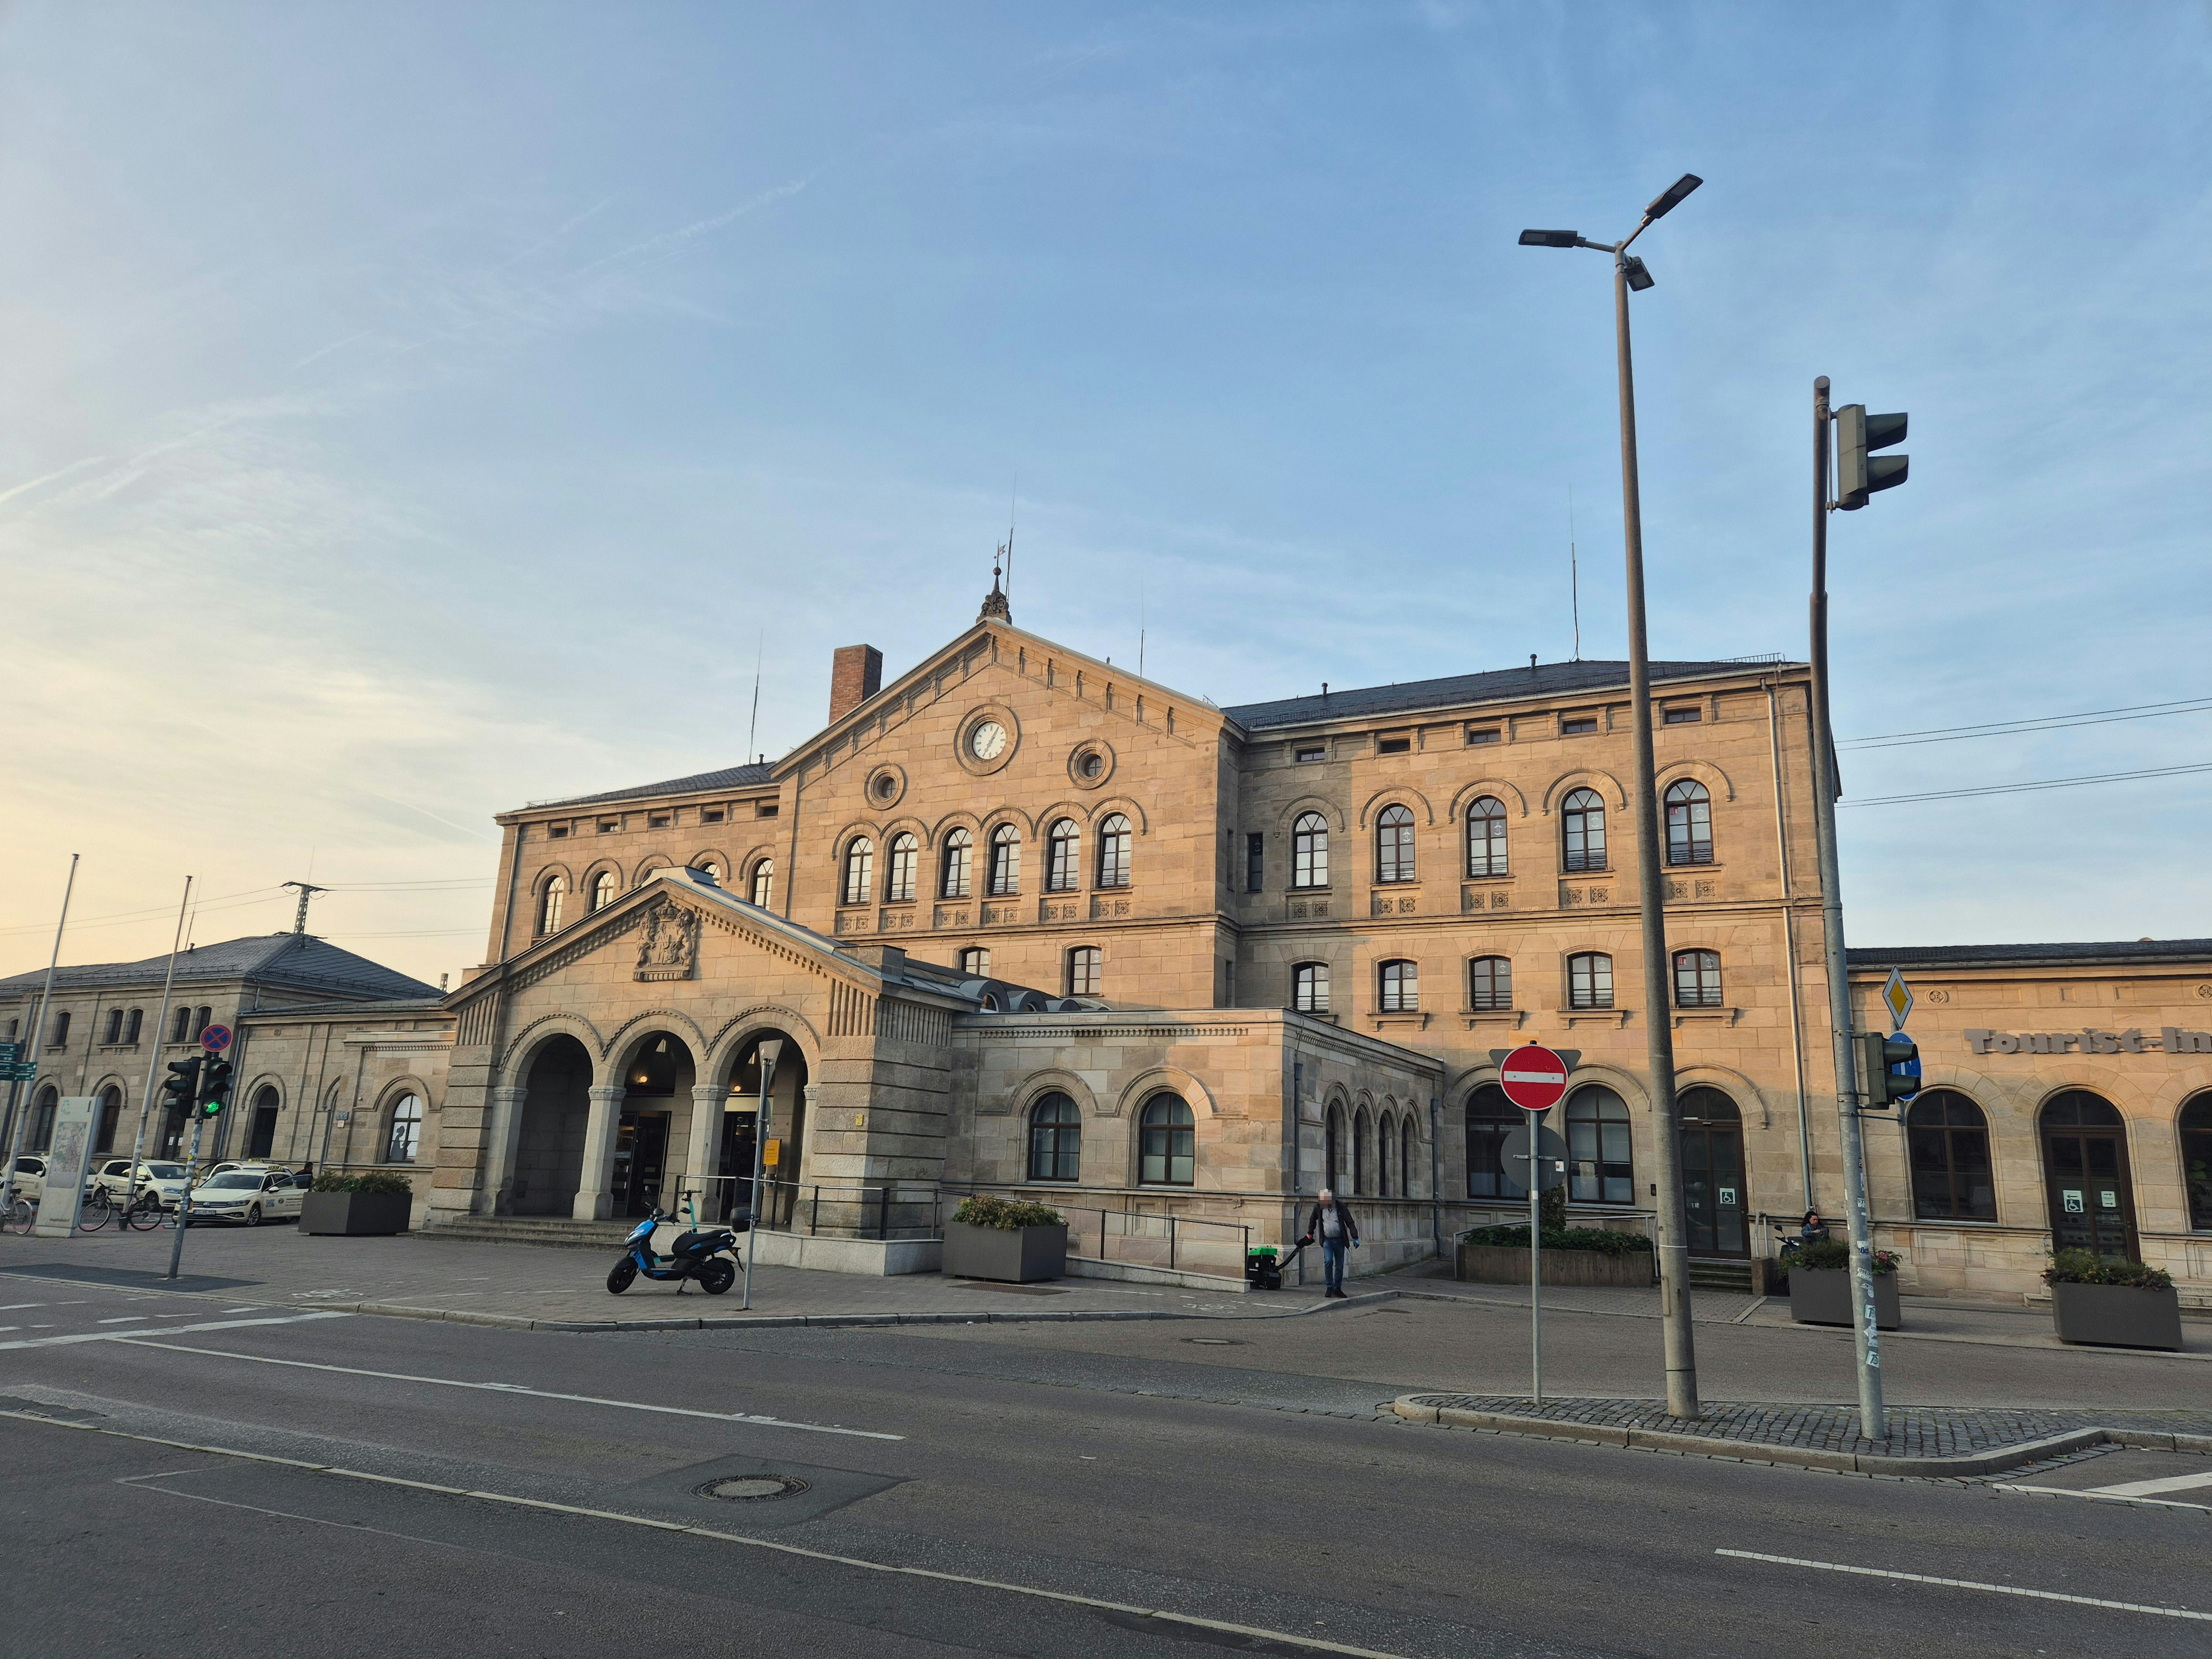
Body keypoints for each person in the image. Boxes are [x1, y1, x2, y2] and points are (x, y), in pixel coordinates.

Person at [1301, 1188, 1360, 1298]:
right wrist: (1310, 1233)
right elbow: (1312, 1220)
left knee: (1339, 1266)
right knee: (1328, 1261)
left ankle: (1337, 1289)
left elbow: (1349, 1221)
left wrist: (1355, 1237)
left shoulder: (1340, 1206)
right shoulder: (1318, 1207)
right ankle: (1329, 1287)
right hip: (1327, 1240)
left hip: (1340, 1240)